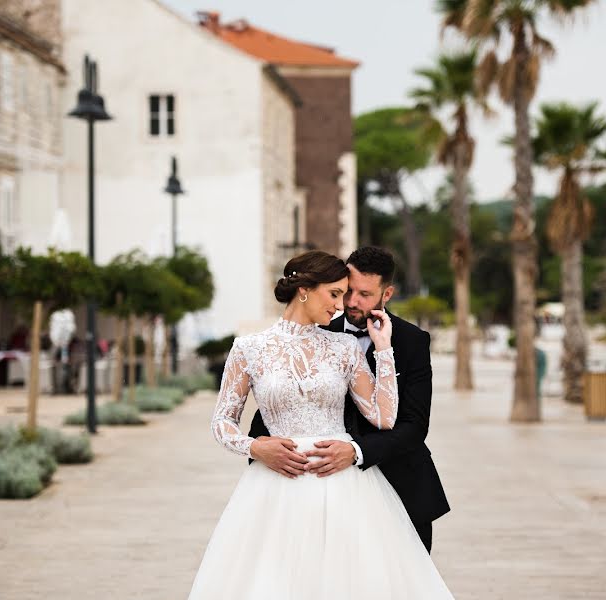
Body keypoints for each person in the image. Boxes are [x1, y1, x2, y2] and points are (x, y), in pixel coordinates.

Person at [188, 250, 453, 600]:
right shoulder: (249, 348)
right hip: (276, 486)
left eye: (354, 294)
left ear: (385, 295)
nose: (343, 305)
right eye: (336, 294)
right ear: (305, 289)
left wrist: (384, 349)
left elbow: (389, 418)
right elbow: (223, 421)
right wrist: (256, 445)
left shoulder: (346, 346)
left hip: (349, 486)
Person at [250, 246, 449, 552]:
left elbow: (414, 425)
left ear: (387, 294)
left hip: (400, 483)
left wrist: (356, 451)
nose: (351, 302)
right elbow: (281, 397)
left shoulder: (412, 341)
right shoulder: (315, 326)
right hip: (320, 490)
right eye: (348, 290)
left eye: (365, 294)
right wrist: (259, 446)